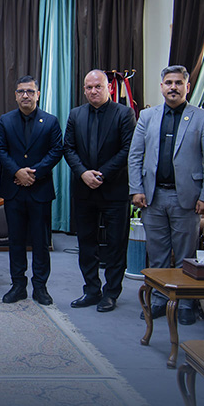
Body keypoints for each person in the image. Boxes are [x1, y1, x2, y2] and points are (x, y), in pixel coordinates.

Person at [128, 65, 204, 326]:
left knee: (185, 254)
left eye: (178, 83)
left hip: (187, 199)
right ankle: (159, 299)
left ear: (187, 87)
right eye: (168, 83)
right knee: (156, 253)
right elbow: (135, 156)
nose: (173, 87)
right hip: (153, 197)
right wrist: (136, 189)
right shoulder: (147, 116)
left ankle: (186, 302)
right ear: (161, 87)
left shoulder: (203, 118)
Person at [63, 70, 136, 313]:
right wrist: (83, 173)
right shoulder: (76, 114)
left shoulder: (124, 114)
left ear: (109, 88)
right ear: (84, 90)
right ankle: (91, 290)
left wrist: (102, 174)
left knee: (115, 244)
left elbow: (128, 149)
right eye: (89, 87)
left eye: (98, 86)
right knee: (86, 243)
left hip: (114, 190)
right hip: (84, 190)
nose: (93, 91)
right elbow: (68, 148)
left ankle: (111, 293)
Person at [0, 76, 63, 305]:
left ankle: (40, 287)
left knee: (41, 242)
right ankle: (18, 286)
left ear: (38, 94)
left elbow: (56, 151)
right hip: (14, 190)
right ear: (15, 95)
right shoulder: (6, 120)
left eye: (30, 91)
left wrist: (34, 173)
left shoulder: (50, 121)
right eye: (21, 91)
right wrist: (17, 172)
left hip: (39, 190)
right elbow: (0, 150)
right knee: (15, 241)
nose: (26, 95)